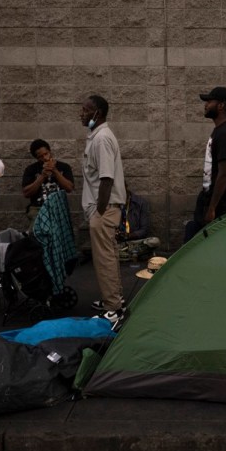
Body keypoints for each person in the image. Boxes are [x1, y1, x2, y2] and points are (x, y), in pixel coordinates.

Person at [80, 95, 127, 325]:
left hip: (104, 209)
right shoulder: (97, 137)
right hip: (105, 208)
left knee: (104, 259)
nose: (81, 113)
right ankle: (115, 301)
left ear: (96, 114)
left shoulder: (101, 139)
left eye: (85, 110)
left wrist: (99, 212)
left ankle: (113, 310)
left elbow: (106, 179)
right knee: (109, 256)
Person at [184, 87, 226, 242]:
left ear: (221, 105)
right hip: (212, 201)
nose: (206, 105)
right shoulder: (220, 131)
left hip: (223, 205)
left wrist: (212, 208)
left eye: (210, 101)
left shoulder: (225, 134)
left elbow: (225, 174)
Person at [21, 139, 74, 230]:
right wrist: (42, 176)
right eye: (40, 156)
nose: (45, 158)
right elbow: (26, 193)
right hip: (38, 209)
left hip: (59, 208)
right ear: (36, 158)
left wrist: (55, 171)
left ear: (50, 151)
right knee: (39, 235)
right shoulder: (31, 169)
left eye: (46, 154)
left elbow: (69, 188)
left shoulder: (64, 167)